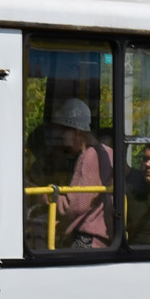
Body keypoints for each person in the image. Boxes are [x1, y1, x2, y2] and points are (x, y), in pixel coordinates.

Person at [52, 97, 114, 248]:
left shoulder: (89, 156)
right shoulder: (107, 152)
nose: (62, 139)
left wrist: (55, 198)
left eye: (64, 132)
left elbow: (78, 204)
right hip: (101, 237)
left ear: (76, 132)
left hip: (87, 238)